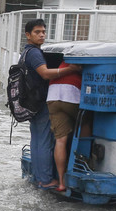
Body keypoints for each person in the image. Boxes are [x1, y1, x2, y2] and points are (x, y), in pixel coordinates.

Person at [20, 19, 81, 189]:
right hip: (40, 102)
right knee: (45, 141)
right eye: (37, 32)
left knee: (37, 140)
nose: (41, 35)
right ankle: (46, 179)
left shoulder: (25, 53)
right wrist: (69, 70)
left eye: (43, 32)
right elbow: (45, 74)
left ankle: (41, 177)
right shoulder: (34, 53)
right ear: (28, 35)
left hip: (31, 102)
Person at [47, 61, 86, 191]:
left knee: (60, 140)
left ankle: (61, 183)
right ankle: (84, 168)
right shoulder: (81, 64)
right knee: (86, 124)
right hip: (72, 93)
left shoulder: (63, 64)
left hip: (52, 96)